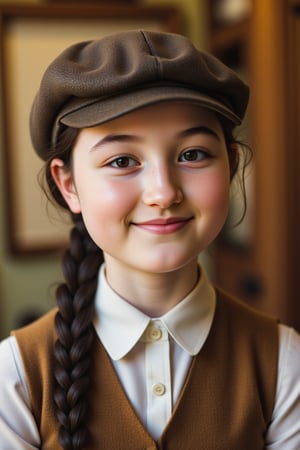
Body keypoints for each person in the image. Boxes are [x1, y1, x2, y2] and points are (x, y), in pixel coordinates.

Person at [0, 29, 299, 450]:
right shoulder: (16, 376)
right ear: (68, 184)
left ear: (230, 165)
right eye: (122, 160)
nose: (163, 192)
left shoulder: (284, 360)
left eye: (192, 154)